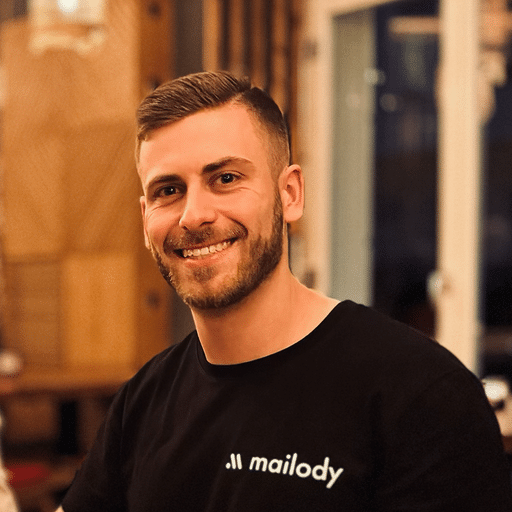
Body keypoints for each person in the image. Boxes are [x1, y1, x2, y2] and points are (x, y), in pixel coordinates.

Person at [58, 71, 512, 511]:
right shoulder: (142, 403)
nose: (193, 215)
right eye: (169, 189)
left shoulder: (421, 394)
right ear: (145, 220)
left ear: (290, 194)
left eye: (225, 179)